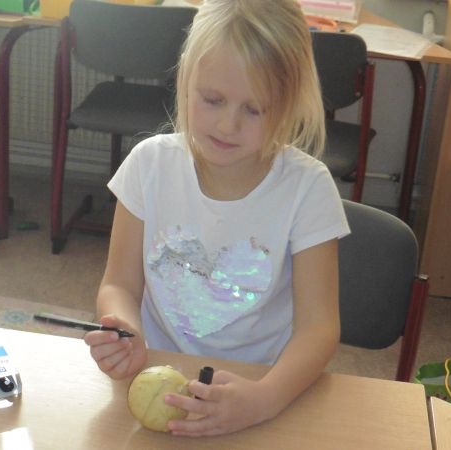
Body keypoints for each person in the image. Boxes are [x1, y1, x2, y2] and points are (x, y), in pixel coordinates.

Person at [84, 0, 350, 436]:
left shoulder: (309, 188)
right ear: (186, 80)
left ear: (288, 105)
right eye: (212, 100)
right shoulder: (149, 165)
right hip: (155, 376)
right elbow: (119, 285)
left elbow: (318, 329)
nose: (228, 125)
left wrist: (264, 398)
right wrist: (125, 330)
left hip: (260, 388)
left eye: (254, 109)